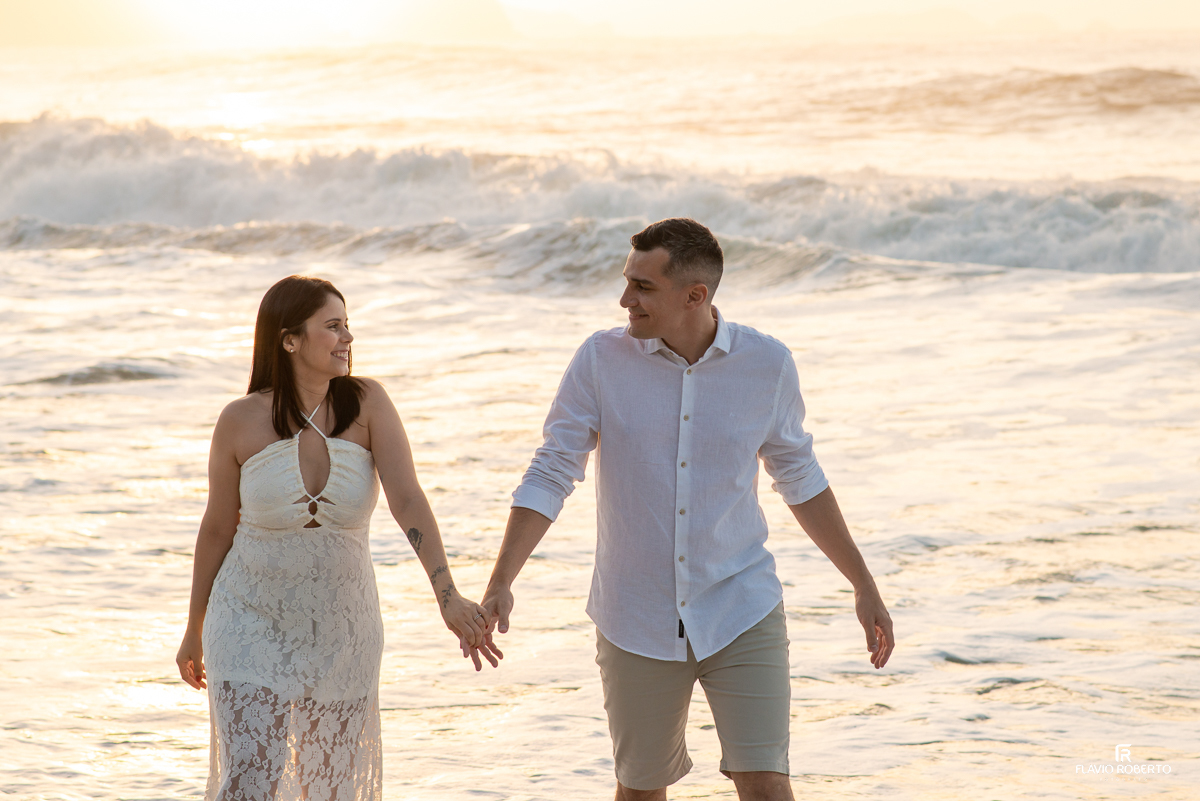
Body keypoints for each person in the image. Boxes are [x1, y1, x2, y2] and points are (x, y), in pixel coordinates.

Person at [479, 219, 894, 801]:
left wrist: (863, 584)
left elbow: (800, 477)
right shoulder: (600, 360)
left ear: (695, 295)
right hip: (635, 616)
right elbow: (553, 468)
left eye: (643, 287)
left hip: (740, 605)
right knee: (641, 792)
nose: (625, 299)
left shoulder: (767, 365)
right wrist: (501, 579)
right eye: (628, 282)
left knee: (768, 784)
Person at [175, 275, 502, 801]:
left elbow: (409, 500)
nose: (347, 337)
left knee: (330, 788)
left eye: (348, 325)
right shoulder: (239, 420)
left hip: (342, 629)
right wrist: (193, 628)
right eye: (332, 326)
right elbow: (216, 527)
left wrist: (448, 597)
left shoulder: (368, 403)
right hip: (247, 620)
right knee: (251, 781)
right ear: (289, 339)